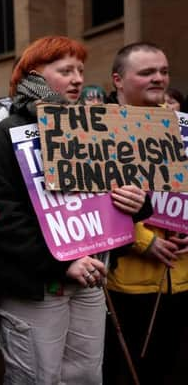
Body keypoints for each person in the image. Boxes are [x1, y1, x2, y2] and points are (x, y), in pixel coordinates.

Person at [0, 36, 150, 384]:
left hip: (89, 281)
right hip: (34, 286)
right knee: (38, 377)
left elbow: (124, 192)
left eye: (81, 71)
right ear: (33, 76)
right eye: (65, 70)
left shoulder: (93, 132)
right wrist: (62, 260)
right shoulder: (4, 136)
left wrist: (137, 203)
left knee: (86, 375)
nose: (77, 79)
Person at [103, 42, 188, 385]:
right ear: (118, 80)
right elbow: (94, 200)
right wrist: (145, 242)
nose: (159, 78)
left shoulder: (182, 127)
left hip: (179, 280)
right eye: (147, 72)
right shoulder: (97, 130)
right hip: (126, 284)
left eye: (164, 71)